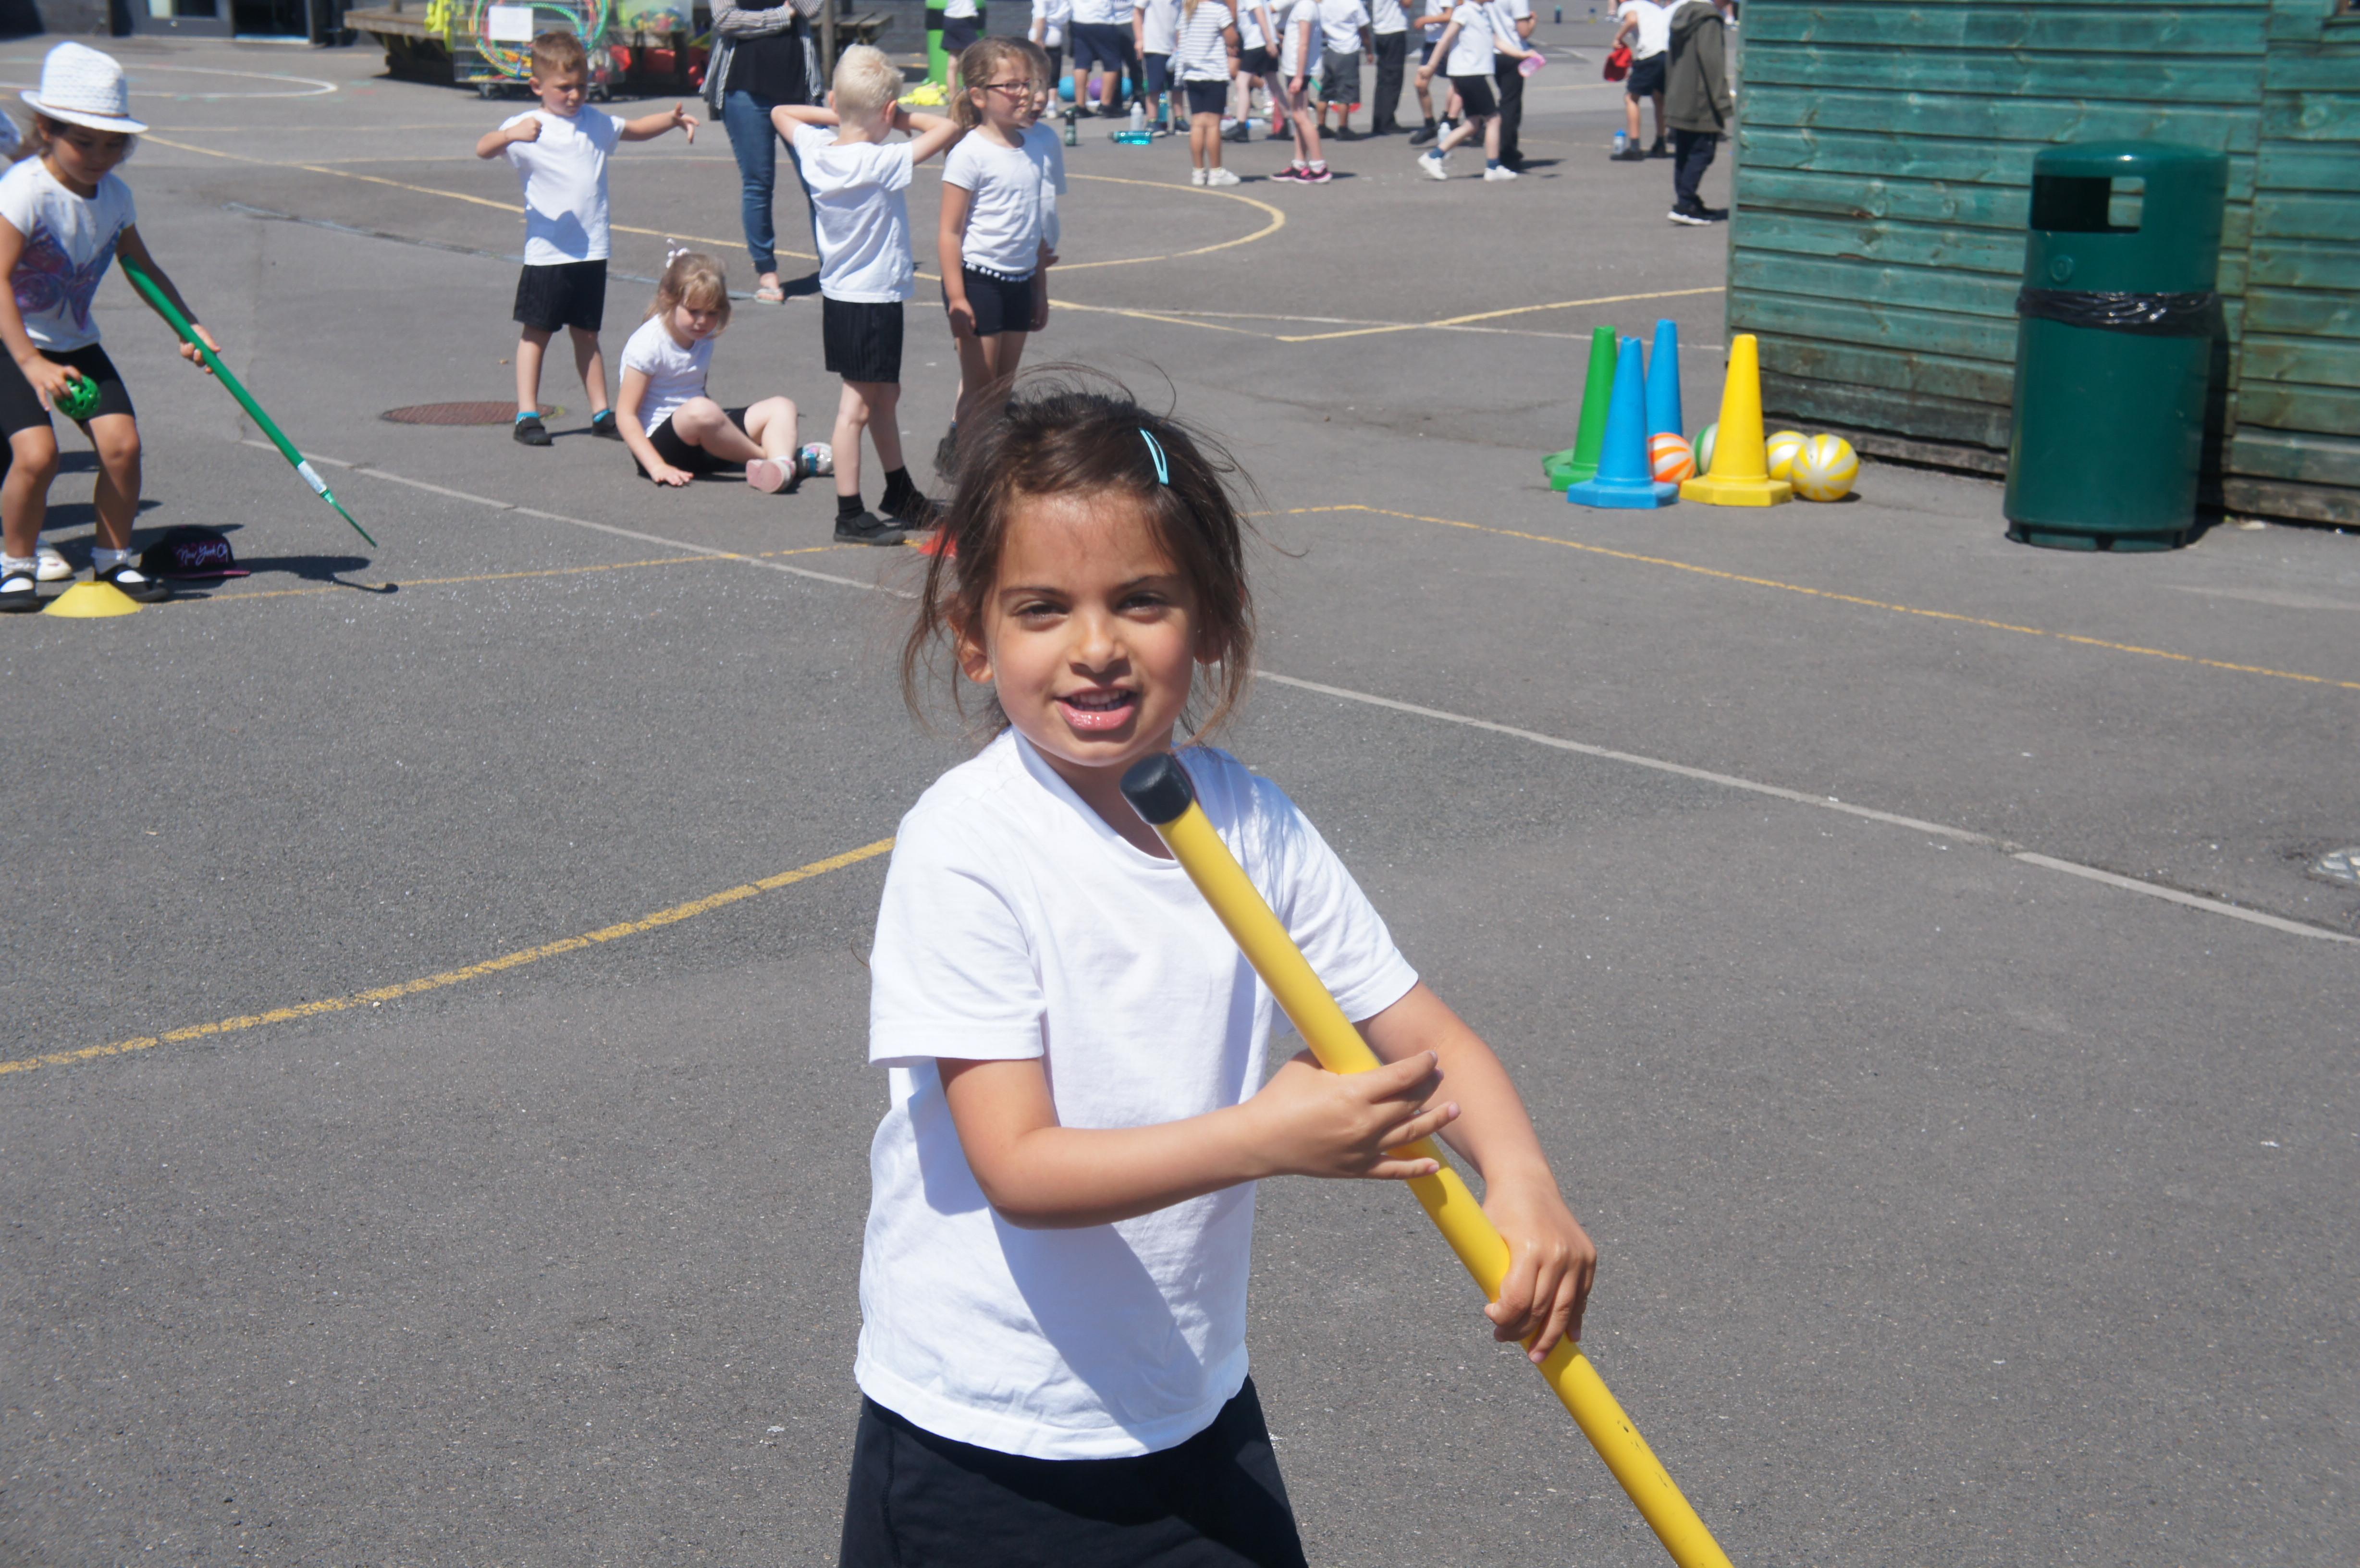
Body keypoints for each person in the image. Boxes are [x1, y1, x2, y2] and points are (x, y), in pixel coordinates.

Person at [843, 374, 1598, 1565]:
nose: (1095, 648)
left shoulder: (1250, 822)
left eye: (1140, 600)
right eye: (1042, 609)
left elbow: (1426, 1037)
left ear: (1210, 619)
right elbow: (1018, 1167)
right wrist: (1263, 1136)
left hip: (1187, 1404)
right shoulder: (969, 844)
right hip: (986, 1436)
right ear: (974, 639)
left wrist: (1522, 1178)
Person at [0, 43, 218, 611]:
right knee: (37, 456)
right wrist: (31, 363)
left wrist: (187, 325)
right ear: (47, 130)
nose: (100, 156)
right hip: (10, 343)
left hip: (74, 342)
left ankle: (113, 560)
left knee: (122, 447)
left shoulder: (116, 197)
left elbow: (141, 267)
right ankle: (15, 565)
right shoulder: (25, 189)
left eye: (114, 143)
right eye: (84, 141)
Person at [773, 46, 964, 545]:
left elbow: (781, 113)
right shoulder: (880, 160)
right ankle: (849, 512)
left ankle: (899, 490)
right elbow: (947, 127)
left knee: (884, 396)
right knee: (855, 408)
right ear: (887, 110)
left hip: (844, 296)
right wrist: (900, 119)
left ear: (835, 101)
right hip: (872, 298)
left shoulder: (818, 150)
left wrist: (841, 114)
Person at [477, 32, 695, 449]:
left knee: (588, 334)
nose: (575, 95)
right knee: (537, 333)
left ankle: (601, 412)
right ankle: (527, 414)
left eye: (581, 86)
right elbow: (483, 148)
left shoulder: (594, 122)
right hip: (547, 254)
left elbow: (633, 129)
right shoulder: (528, 126)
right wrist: (510, 135)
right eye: (564, 88)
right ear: (538, 86)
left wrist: (671, 120)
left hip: (591, 251)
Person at [940, 37, 1067, 438]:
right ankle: (963, 457)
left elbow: (1035, 236)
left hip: (1020, 281)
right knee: (981, 390)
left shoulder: (1034, 148)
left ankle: (986, 459)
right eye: (1012, 85)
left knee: (1002, 390)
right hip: (979, 281)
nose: (1024, 93)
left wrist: (1040, 289)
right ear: (979, 96)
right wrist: (957, 298)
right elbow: (949, 232)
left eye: (1027, 84)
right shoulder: (970, 153)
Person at [613, 250, 804, 492]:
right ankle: (781, 462)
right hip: (662, 449)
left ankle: (778, 467)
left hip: (703, 438)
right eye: (693, 311)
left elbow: (697, 388)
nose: (702, 321)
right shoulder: (648, 344)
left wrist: (720, 430)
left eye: (712, 313)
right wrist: (656, 466)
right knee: (702, 410)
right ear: (668, 300)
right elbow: (626, 415)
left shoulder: (702, 336)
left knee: (782, 407)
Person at [706, 0, 822, 304]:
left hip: (798, 86)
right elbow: (725, 19)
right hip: (744, 87)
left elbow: (812, 8)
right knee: (759, 183)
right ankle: (767, 272)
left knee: (820, 180)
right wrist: (782, 15)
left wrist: (764, 20)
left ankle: (834, 264)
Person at [1413, 0, 1524, 180]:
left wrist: (1522, 54)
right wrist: (1431, 66)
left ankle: (1433, 157)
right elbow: (1445, 39)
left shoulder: (1484, 13)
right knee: (1494, 119)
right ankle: (1493, 168)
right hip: (1469, 73)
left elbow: (1497, 41)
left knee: (1472, 124)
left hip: (1473, 73)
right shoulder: (1464, 12)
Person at [1662, 0, 1731, 223]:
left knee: (1685, 153)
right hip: (1700, 98)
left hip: (1679, 96)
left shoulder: (1682, 14)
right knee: (1703, 152)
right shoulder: (1708, 19)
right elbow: (1713, 62)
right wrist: (1722, 102)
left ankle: (1688, 201)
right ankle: (1685, 204)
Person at [1174, 0, 1243, 184]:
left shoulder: (1187, 11)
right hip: (1213, 74)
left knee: (1198, 124)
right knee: (1213, 125)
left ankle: (1198, 172)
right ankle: (1216, 171)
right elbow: (1232, 39)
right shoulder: (1219, 11)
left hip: (1192, 73)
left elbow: (1180, 39)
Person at [1271, 0, 1326, 181]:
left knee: (1301, 116)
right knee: (1298, 117)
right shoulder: (1304, 6)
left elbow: (1304, 44)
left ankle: (1319, 166)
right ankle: (1299, 163)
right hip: (1294, 69)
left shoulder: (1306, 7)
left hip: (1298, 70)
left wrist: (1299, 76)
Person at [1610, 0, 1670, 159]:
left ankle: (1635, 147)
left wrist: (1618, 38)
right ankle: (1661, 144)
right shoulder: (1653, 7)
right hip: (1668, 54)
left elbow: (1632, 20)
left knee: (1631, 98)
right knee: (1659, 98)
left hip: (1650, 54)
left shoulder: (1628, 6)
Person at [1070, 0, 1143, 116]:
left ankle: (1080, 106)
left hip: (1079, 18)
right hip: (1102, 19)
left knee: (1081, 63)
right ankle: (1106, 104)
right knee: (1112, 64)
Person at [1487, 0, 1533, 169]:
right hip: (1514, 52)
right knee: (1511, 105)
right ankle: (1507, 151)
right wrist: (1532, 22)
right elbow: (1524, 31)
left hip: (1495, 51)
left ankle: (1506, 147)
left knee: (1507, 101)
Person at [1314, 0, 1370, 139]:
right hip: (1348, 49)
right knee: (1345, 93)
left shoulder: (1324, 3)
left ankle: (1321, 126)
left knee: (1326, 90)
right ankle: (1343, 128)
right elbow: (1364, 29)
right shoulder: (1354, 3)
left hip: (1331, 49)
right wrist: (1369, 50)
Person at [1406, 0, 1457, 144]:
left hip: (1445, 42)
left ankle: (1452, 120)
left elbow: (1449, 15)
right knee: (1420, 84)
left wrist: (1426, 20)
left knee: (1459, 84)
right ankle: (1430, 124)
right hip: (1431, 41)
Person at [1135, 0, 1182, 132]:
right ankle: (1152, 120)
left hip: (1175, 48)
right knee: (1155, 87)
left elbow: (1183, 17)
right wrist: (1140, 40)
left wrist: (1181, 44)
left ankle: (1179, 119)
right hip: (1154, 45)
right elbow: (1138, 13)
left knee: (1178, 86)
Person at [1365, 0, 1410, 135]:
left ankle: (1379, 120)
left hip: (1381, 29)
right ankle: (1387, 121)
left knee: (1383, 79)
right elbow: (1407, 3)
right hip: (1393, 28)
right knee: (1393, 78)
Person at [1029, 0, 1074, 117]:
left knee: (1036, 74)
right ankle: (1052, 106)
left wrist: (1038, 39)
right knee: (1054, 74)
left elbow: (1041, 17)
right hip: (1056, 35)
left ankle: (1035, 104)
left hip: (1041, 35)